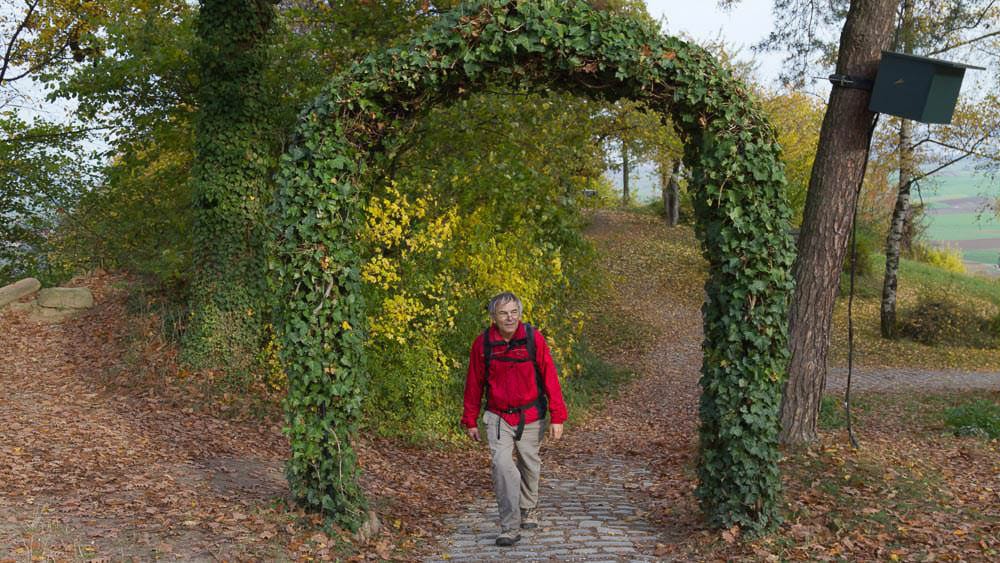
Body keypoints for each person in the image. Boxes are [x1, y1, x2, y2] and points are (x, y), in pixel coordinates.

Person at [461, 291, 568, 547]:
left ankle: (528, 507)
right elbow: (474, 383)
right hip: (498, 416)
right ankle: (509, 526)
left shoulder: (533, 338)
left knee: (529, 464)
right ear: (493, 317)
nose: (509, 318)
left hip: (531, 415)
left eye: (514, 312)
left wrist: (557, 416)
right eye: (503, 313)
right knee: (502, 465)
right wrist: (470, 419)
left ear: (519, 314)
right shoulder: (483, 344)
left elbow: (550, 376)